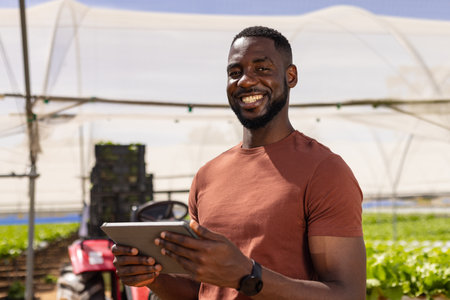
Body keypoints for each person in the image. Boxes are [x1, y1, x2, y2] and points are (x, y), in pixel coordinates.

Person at [112, 26, 366, 300]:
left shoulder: (325, 171)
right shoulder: (207, 176)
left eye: (262, 69)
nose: (245, 81)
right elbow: (203, 291)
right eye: (235, 73)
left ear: (290, 76)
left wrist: (248, 276)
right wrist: (154, 278)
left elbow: (348, 294)